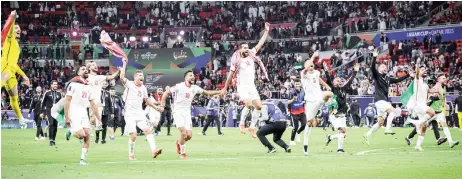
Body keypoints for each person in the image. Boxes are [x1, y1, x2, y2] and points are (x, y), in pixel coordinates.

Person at [221, 22, 270, 138]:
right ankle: (241, 123)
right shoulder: (237, 60)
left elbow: (260, 43)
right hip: (241, 85)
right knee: (248, 103)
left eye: (247, 47)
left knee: (258, 106)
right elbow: (230, 75)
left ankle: (252, 127)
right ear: (239, 49)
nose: (247, 49)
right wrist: (225, 88)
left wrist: (266, 32)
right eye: (244, 48)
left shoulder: (252, 54)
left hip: (251, 85)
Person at [160, 70, 222, 159]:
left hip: (186, 112)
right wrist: (162, 104)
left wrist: (219, 91)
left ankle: (179, 143)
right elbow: (166, 92)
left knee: (189, 136)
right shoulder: (179, 86)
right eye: (190, 75)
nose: (193, 77)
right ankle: (183, 153)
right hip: (178, 111)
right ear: (185, 78)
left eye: (193, 75)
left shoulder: (195, 88)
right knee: (183, 133)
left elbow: (207, 92)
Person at [363, 50, 411, 145]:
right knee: (392, 111)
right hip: (379, 100)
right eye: (382, 66)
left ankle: (367, 134)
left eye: (385, 66)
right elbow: (372, 68)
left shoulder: (388, 79)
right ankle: (388, 128)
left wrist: (408, 75)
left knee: (380, 122)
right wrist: (374, 57)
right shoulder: (377, 76)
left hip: (384, 101)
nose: (384, 67)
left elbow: (398, 80)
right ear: (379, 69)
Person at [119, 59, 163, 160]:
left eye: (142, 76)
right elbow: (121, 77)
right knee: (134, 135)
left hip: (139, 113)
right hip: (129, 113)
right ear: (135, 78)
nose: (142, 77)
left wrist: (156, 107)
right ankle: (131, 154)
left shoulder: (143, 88)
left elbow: (147, 100)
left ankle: (154, 150)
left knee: (148, 130)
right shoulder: (129, 84)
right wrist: (124, 64)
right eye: (140, 76)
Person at [63, 65, 102, 166]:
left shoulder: (88, 86)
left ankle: (82, 160)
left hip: (83, 112)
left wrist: (99, 119)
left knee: (87, 135)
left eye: (86, 69)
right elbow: (67, 100)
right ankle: (71, 131)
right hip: (74, 111)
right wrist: (66, 116)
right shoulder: (73, 84)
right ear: (78, 73)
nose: (85, 71)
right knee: (81, 135)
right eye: (83, 69)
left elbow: (93, 104)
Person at [1, 11, 33, 126]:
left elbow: (14, 64)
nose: (18, 30)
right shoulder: (9, 40)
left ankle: (20, 119)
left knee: (14, 97)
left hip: (12, 72)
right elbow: (9, 28)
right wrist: (12, 17)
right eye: (16, 28)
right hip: (4, 69)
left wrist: (24, 76)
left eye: (19, 28)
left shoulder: (17, 46)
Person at [300, 52, 333, 155]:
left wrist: (326, 85)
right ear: (305, 66)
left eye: (312, 65)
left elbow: (318, 80)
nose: (311, 66)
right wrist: (313, 57)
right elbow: (308, 67)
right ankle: (305, 145)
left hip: (319, 97)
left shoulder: (316, 73)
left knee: (329, 94)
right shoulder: (303, 75)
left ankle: (330, 108)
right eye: (309, 65)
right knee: (309, 123)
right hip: (310, 102)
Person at [324, 63, 359, 153]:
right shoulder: (333, 89)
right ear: (333, 83)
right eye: (337, 80)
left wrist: (355, 71)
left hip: (342, 114)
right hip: (334, 114)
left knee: (343, 133)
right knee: (342, 131)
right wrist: (326, 70)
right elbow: (328, 79)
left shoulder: (344, 89)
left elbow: (350, 80)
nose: (339, 82)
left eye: (340, 80)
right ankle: (339, 149)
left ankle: (330, 137)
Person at [86, 61, 120, 132]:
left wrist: (119, 71)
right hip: (89, 101)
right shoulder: (87, 77)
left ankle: (95, 127)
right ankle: (84, 131)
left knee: (95, 119)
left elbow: (112, 77)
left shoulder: (100, 77)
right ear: (89, 68)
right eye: (93, 65)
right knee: (92, 119)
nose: (95, 66)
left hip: (98, 101)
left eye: (96, 65)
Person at [40, 80, 63, 146]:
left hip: (57, 112)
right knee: (51, 124)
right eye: (54, 84)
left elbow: (61, 104)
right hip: (49, 111)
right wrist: (42, 112)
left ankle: (53, 140)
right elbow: (43, 103)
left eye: (56, 84)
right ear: (51, 85)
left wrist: (61, 113)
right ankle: (50, 140)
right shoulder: (47, 93)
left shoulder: (59, 93)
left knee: (55, 126)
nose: (55, 85)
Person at [287, 78, 306, 145]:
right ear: (294, 85)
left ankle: (298, 133)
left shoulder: (303, 91)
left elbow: (304, 100)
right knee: (295, 127)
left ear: (300, 84)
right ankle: (292, 140)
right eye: (296, 84)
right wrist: (293, 99)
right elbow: (288, 102)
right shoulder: (291, 92)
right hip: (294, 112)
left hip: (301, 111)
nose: (297, 85)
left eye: (298, 84)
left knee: (304, 124)